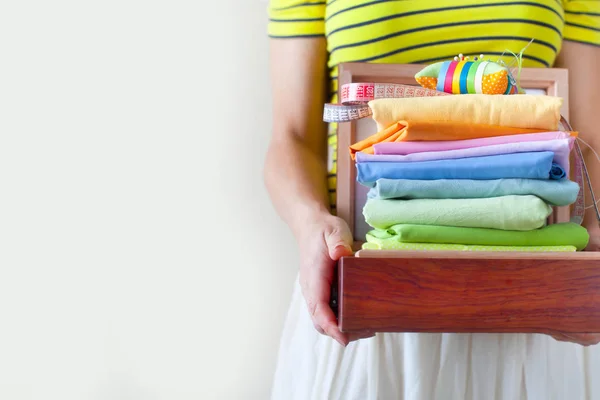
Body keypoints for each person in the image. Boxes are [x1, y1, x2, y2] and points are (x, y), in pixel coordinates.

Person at [264, 1, 600, 398]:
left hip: (531, 300)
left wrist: (590, 251)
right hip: (365, 293)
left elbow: (587, 141)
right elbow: (293, 138)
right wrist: (310, 226)